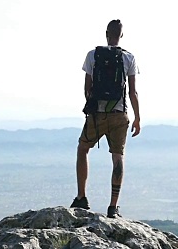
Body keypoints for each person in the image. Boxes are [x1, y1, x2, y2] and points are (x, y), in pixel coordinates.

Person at [71, 19, 141, 218]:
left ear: (106, 33)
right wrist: (137, 118)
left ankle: (82, 197)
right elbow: (133, 92)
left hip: (97, 115)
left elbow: (87, 88)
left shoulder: (93, 55)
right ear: (121, 35)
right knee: (117, 157)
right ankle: (113, 207)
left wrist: (94, 108)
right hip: (119, 115)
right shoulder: (129, 58)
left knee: (83, 149)